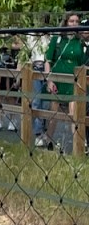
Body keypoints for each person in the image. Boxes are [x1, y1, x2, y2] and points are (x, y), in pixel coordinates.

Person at [43, 11, 89, 150]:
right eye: (71, 21)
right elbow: (48, 61)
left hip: (74, 80)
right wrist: (49, 80)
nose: (74, 24)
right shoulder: (57, 39)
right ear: (65, 22)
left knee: (74, 112)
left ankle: (79, 144)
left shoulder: (79, 42)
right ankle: (49, 140)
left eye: (76, 21)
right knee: (54, 112)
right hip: (58, 78)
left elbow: (82, 63)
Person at [24, 13, 52, 140]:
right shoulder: (30, 35)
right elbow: (26, 53)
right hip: (34, 68)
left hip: (47, 69)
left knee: (46, 103)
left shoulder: (50, 35)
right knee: (36, 101)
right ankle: (37, 133)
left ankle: (44, 130)